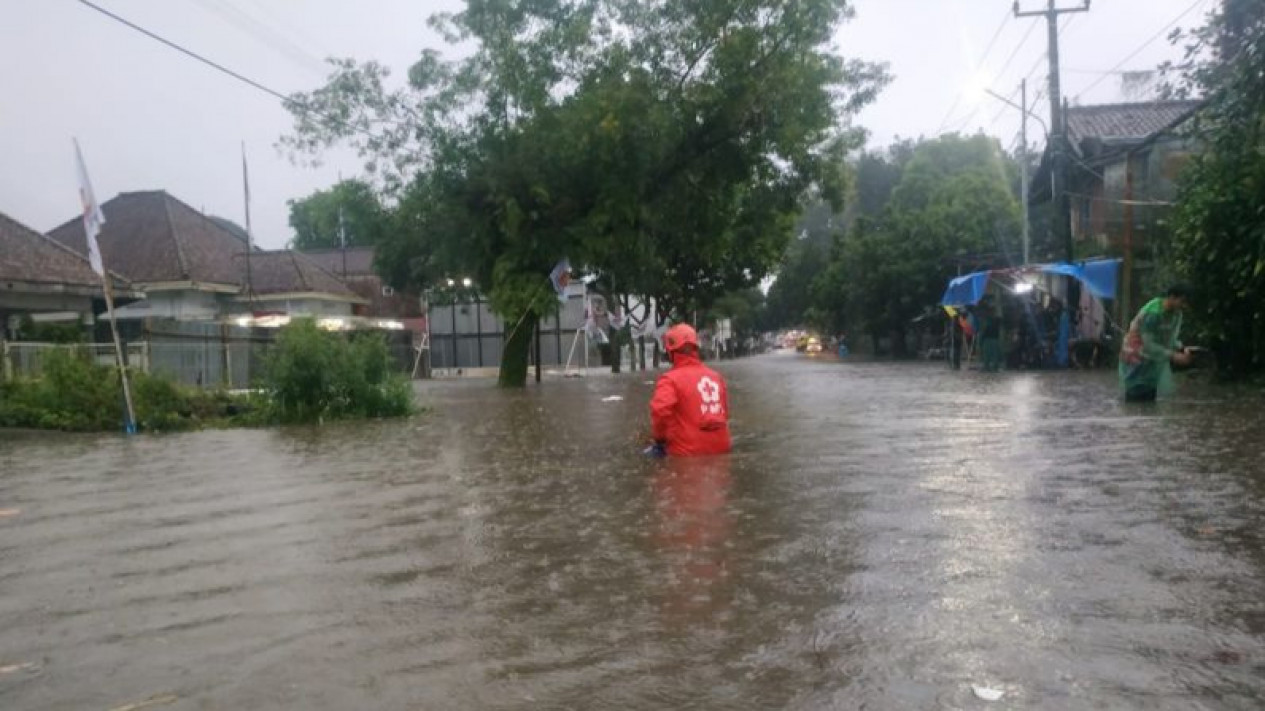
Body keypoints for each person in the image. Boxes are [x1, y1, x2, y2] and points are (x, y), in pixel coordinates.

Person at [649, 323, 732, 457]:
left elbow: (660, 411)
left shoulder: (669, 380)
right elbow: (725, 413)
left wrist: (659, 439)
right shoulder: (716, 377)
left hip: (687, 451)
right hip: (722, 447)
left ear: (670, 350)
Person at [1119, 284, 1193, 402]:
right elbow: (1148, 345)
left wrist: (1182, 348)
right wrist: (1173, 356)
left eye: (1186, 303)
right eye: (1182, 301)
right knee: (1135, 395)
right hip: (1136, 357)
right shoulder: (1153, 314)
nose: (1184, 306)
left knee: (1150, 396)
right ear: (1172, 297)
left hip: (1154, 358)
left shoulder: (1176, 314)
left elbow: (1171, 338)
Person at [974, 295, 1002, 372]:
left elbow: (984, 328)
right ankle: (989, 367)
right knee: (989, 354)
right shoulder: (988, 318)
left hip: (991, 338)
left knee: (992, 354)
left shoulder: (994, 319)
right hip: (989, 338)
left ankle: (991, 367)